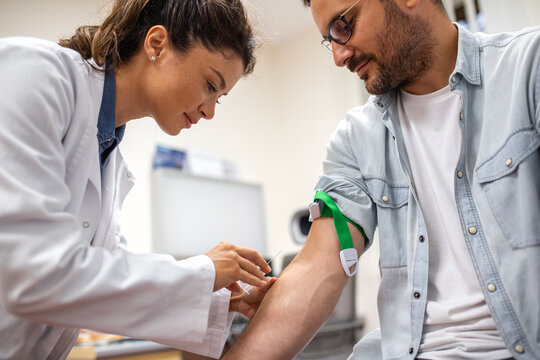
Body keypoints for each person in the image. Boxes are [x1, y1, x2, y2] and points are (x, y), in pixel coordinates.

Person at [222, 0, 540, 359]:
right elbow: (319, 264)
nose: (338, 56)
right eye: (330, 40)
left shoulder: (528, 68)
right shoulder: (357, 139)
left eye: (344, 25)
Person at [0, 0, 276, 359]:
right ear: (157, 44)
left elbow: (99, 285)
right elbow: (33, 273)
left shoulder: (110, 156)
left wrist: (222, 299)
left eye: (218, 99)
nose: (209, 111)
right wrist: (202, 271)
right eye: (210, 84)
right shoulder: (35, 73)